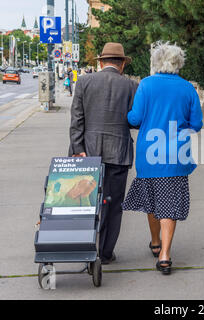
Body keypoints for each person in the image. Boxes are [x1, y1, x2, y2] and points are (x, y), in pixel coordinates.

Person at [122, 42, 203, 275]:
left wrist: (127, 114)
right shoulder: (188, 88)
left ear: (156, 62)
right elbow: (196, 124)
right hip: (177, 154)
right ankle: (165, 255)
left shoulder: (146, 85)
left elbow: (135, 119)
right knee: (169, 203)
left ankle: (156, 243)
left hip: (149, 152)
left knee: (152, 200)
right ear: (179, 62)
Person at [69, 42, 139, 264]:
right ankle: (106, 253)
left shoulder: (84, 81)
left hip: (87, 153)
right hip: (118, 153)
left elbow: (77, 120)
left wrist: (77, 149)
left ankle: (84, 247)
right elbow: (134, 121)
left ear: (100, 62)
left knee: (85, 202)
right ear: (122, 65)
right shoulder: (131, 86)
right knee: (112, 203)